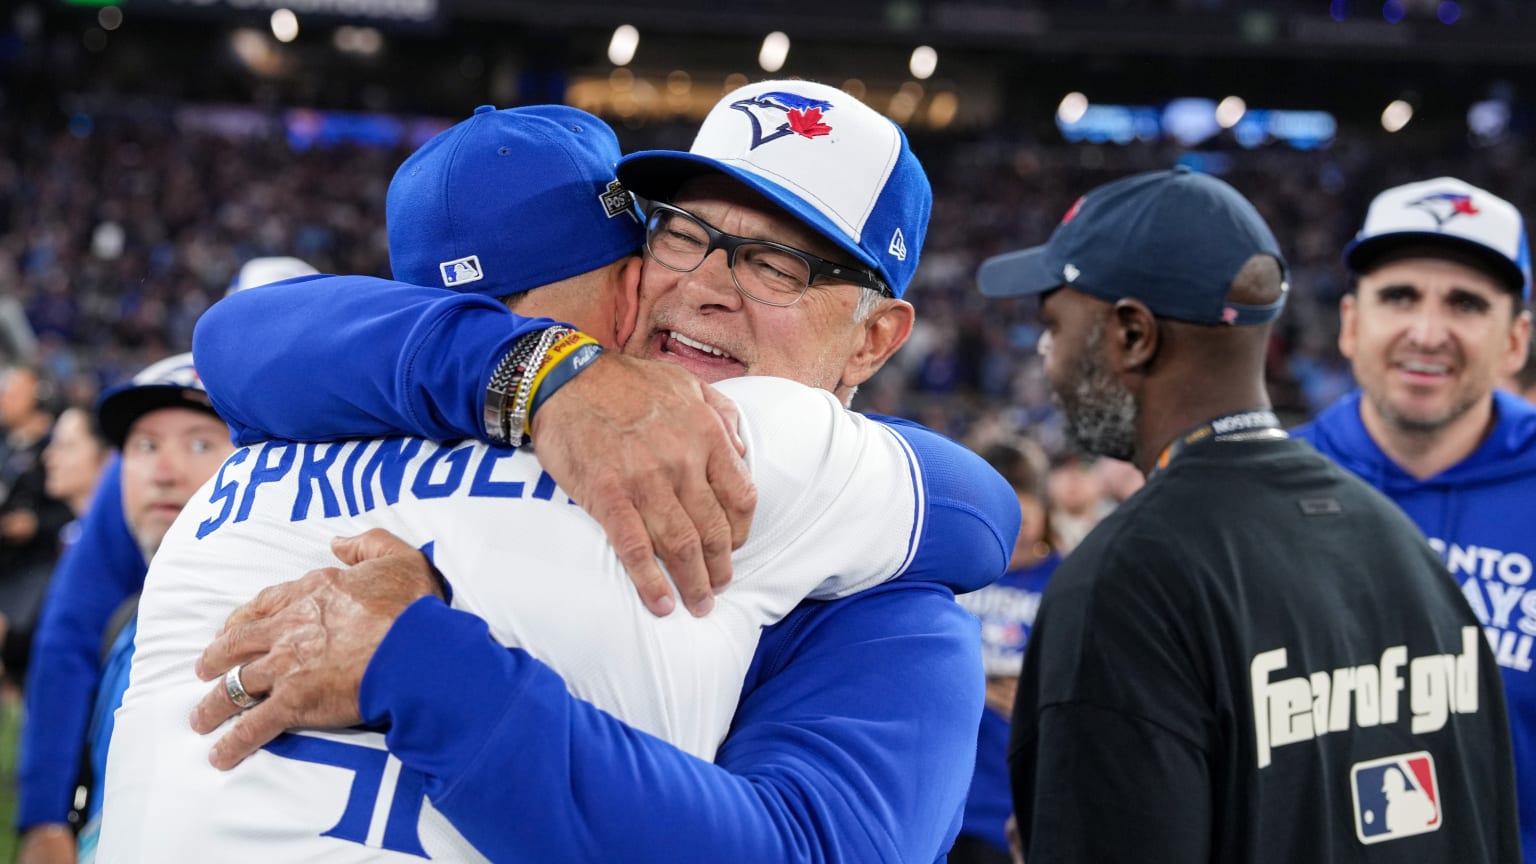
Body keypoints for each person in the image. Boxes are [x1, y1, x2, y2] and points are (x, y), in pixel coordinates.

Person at [122, 83, 1018, 862]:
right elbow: (241, 343)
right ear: (630, 270)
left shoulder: (894, 614)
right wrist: (542, 380)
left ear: (875, 337)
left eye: (776, 263)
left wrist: (419, 663)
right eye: (682, 237)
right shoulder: (467, 410)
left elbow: (979, 516)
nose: (704, 285)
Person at [978, 166, 1518, 862]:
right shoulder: (1402, 545)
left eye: (1054, 323)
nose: (1046, 355)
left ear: (1133, 335)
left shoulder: (1121, 581)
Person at [16, 257, 313, 864]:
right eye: (145, 447)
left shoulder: (341, 461)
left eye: (200, 443)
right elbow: (71, 631)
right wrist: (47, 813)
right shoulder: (130, 522)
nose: (164, 469)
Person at [1292, 176, 1536, 860]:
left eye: (1465, 303)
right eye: (1399, 296)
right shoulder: (1260, 491)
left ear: (1515, 340)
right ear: (1350, 322)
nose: (1427, 333)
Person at [951, 440, 1060, 864]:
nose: (1014, 533)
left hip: (1010, 801)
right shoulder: (950, 573)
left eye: (1025, 517)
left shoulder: (1065, 580)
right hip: (947, 794)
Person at [0, 363, 72, 686]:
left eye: (10, 391)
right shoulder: (6, 445)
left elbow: (73, 508)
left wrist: (34, 524)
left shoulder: (55, 445)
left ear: (36, 394)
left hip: (39, 565)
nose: (2, 398)